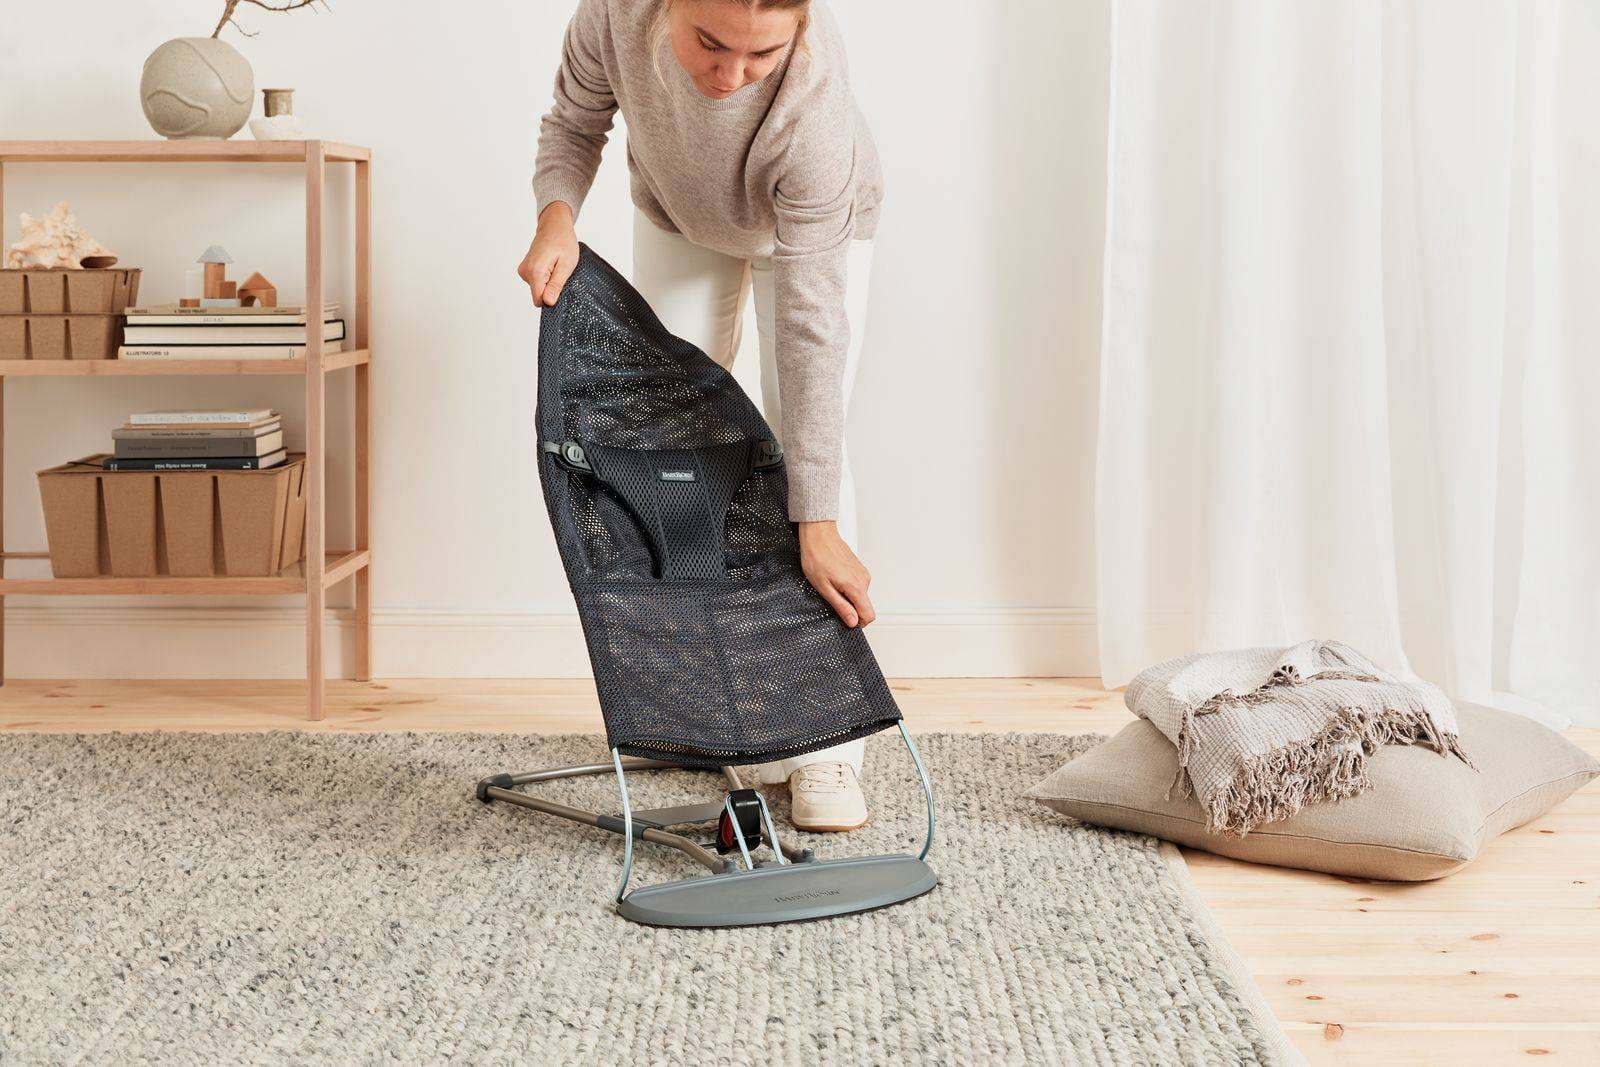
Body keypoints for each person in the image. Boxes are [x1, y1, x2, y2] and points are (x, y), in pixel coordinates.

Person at [518, 0, 883, 831]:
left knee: (805, 460)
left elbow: (811, 334)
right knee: (667, 450)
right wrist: (557, 218)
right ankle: (705, 710)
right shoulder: (614, 14)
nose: (730, 76)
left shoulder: (815, 116)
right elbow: (574, 124)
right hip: (681, 217)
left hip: (808, 234)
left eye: (761, 56)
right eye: (710, 44)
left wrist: (817, 523)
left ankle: (826, 747)